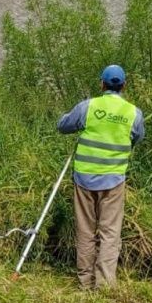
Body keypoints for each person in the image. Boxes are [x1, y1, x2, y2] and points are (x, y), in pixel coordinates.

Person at [57, 65, 144, 290]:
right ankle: (104, 285)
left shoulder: (89, 106)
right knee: (109, 232)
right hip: (114, 180)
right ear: (124, 86)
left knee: (85, 230)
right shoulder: (133, 113)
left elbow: (63, 126)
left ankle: (85, 282)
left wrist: (68, 116)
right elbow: (136, 138)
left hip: (84, 178)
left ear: (102, 84)